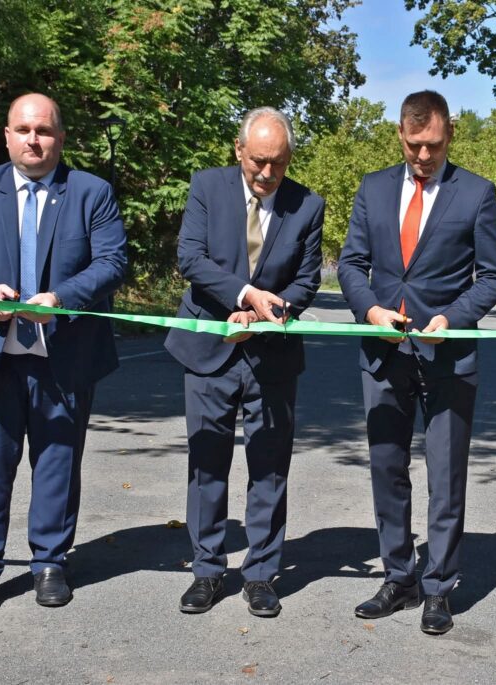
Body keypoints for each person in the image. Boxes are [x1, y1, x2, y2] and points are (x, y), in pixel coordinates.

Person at [0, 93, 128, 615]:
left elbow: (112, 263)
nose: (33, 139)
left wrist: (61, 300)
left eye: (44, 130)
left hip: (64, 357)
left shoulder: (91, 192)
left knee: (58, 464)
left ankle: (50, 563)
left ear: (61, 137)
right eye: (23, 129)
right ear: (7, 135)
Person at [337, 90, 496, 635]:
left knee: (445, 474)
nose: (422, 156)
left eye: (432, 145)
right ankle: (399, 577)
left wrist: (453, 317)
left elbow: (494, 276)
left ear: (449, 134)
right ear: (400, 136)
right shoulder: (373, 187)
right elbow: (351, 264)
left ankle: (439, 588)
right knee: (388, 470)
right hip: (383, 355)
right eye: (413, 145)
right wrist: (369, 309)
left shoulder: (477, 193)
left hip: (448, 355)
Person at [164, 107, 324, 618]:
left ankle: (260, 574)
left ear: (289, 158)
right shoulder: (207, 188)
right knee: (207, 463)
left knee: (269, 467)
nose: (266, 173)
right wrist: (245, 294)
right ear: (239, 151)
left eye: (277, 163)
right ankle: (208, 571)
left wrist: (276, 307)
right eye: (258, 161)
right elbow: (190, 258)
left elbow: (307, 279)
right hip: (209, 348)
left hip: (271, 355)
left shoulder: (308, 204)